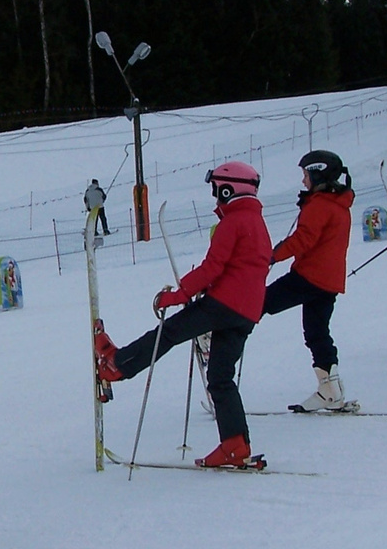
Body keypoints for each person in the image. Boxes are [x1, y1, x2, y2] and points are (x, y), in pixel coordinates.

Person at [94, 161, 272, 468]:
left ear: (230, 189)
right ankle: (235, 445)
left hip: (223, 304)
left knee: (169, 332)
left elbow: (213, 267)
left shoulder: (234, 222)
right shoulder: (256, 222)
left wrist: (179, 294)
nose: (215, 195)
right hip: (246, 311)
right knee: (220, 376)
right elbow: (245, 265)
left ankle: (117, 365)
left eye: (217, 188)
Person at [263, 151, 354, 410]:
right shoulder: (338, 204)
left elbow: (303, 239)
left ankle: (214, 335)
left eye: (305, 175)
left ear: (318, 174)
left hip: (310, 277)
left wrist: (271, 256)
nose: (303, 182)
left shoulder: (321, 205)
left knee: (259, 302)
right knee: (317, 332)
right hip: (328, 281)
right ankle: (330, 390)